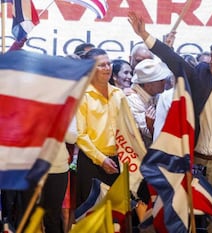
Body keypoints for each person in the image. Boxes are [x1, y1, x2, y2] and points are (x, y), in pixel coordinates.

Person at [128, 12, 212, 231]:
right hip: (192, 159)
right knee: (186, 215)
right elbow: (174, 60)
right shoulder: (201, 75)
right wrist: (145, 35)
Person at [75, 48, 124, 207]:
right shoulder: (82, 96)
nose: (107, 68)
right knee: (91, 214)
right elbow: (80, 135)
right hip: (92, 162)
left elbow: (127, 129)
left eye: (109, 64)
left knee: (116, 214)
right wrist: (102, 159)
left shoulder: (119, 94)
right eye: (101, 65)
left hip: (118, 161)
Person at [40, 118, 77, 233]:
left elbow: (73, 137)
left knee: (52, 217)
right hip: (32, 169)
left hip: (58, 169)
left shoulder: (66, 109)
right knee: (30, 216)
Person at [127, 58, 173, 148]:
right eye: (160, 80)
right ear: (148, 85)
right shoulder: (133, 101)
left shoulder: (157, 95)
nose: (164, 82)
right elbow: (147, 133)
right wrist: (151, 125)